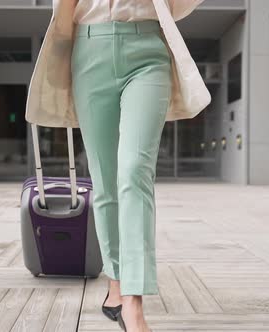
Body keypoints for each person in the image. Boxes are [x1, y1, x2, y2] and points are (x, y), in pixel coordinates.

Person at [25, 1, 210, 331]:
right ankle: (116, 284)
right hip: (88, 48)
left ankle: (133, 303)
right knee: (106, 183)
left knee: (134, 171)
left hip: (148, 48)